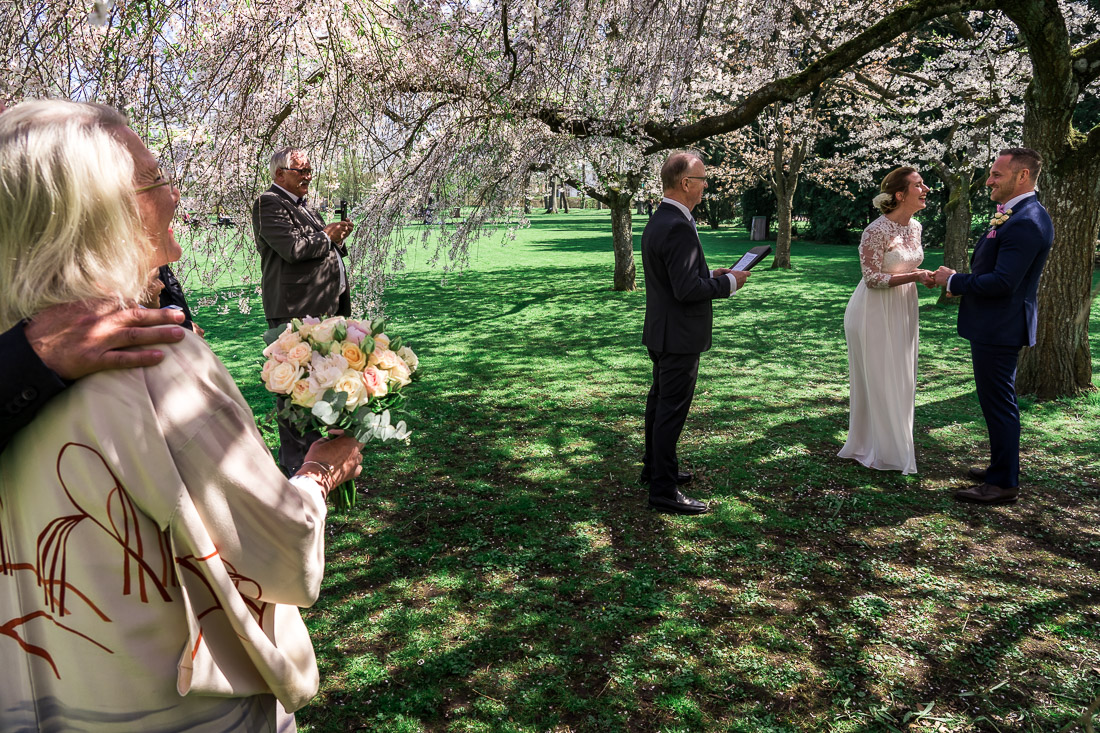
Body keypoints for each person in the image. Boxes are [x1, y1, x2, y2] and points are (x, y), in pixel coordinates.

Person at [0, 99, 363, 731]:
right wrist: (319, 473)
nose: (177, 199)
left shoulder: (17, 350)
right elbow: (282, 554)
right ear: (100, 214)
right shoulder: (154, 365)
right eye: (156, 180)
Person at [933, 147, 1053, 504]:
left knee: (999, 403)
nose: (988, 181)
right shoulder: (1016, 214)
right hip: (995, 324)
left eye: (997, 175)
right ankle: (1002, 467)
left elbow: (1003, 282)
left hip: (1001, 326)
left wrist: (954, 281)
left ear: (1023, 177)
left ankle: (1003, 483)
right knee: (995, 401)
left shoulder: (1028, 221)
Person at [640, 151, 749, 515]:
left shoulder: (660, 219)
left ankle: (655, 469)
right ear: (686, 183)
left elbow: (678, 281)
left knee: (659, 405)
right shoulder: (677, 224)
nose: (706, 186)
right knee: (670, 411)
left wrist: (710, 277)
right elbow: (686, 291)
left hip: (662, 331)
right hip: (679, 335)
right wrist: (730, 283)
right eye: (702, 179)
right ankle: (663, 491)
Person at [253, 146, 354, 475]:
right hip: (293, 311)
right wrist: (328, 235)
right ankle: (298, 465)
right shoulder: (269, 203)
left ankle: (322, 457)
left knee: (319, 382)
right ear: (280, 174)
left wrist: (335, 238)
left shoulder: (304, 206)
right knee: (294, 389)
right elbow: (293, 249)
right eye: (302, 171)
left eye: (310, 171)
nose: (309, 176)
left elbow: (317, 246)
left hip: (322, 309)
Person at [838, 167, 935, 474]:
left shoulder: (916, 227)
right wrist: (915, 276)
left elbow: (907, 265)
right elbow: (871, 278)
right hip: (873, 310)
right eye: (919, 185)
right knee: (879, 379)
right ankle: (874, 447)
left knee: (902, 375)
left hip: (904, 307)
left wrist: (922, 277)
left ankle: (896, 443)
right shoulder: (875, 231)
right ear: (900, 194)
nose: (926, 189)